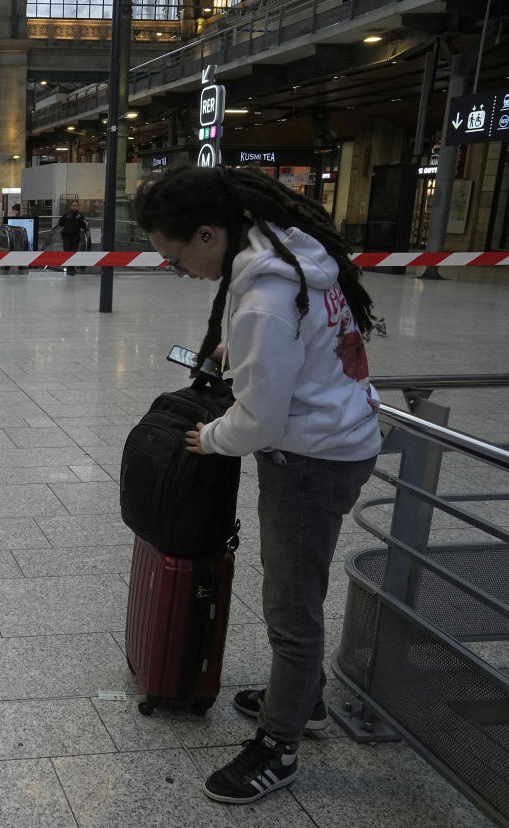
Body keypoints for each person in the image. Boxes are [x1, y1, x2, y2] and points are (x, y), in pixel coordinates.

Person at [134, 164, 381, 806]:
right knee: (295, 597)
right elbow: (293, 354)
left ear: (210, 235)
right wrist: (241, 357)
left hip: (312, 459)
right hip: (336, 437)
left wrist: (209, 437)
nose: (176, 268)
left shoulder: (265, 298)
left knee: (291, 612)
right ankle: (306, 703)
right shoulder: (287, 246)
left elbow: (258, 420)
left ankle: (280, 745)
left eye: (175, 255)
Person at [57, 199, 88, 275]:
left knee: (73, 252)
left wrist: (84, 223)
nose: (75, 207)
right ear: (71, 206)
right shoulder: (66, 214)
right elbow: (60, 223)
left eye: (76, 206)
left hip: (75, 236)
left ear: (78, 207)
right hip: (66, 236)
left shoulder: (80, 216)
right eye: (73, 205)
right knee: (67, 251)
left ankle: (71, 268)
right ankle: (70, 268)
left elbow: (84, 227)